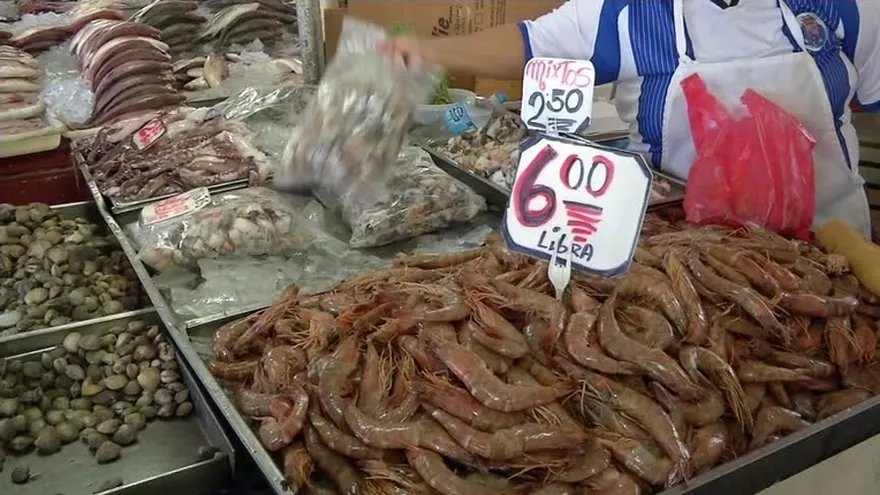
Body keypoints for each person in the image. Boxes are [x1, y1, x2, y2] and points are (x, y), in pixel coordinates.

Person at [384, 0, 879, 237]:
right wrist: (428, 50)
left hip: (832, 243)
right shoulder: (629, 10)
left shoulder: (854, 7)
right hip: (682, 247)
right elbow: (531, 42)